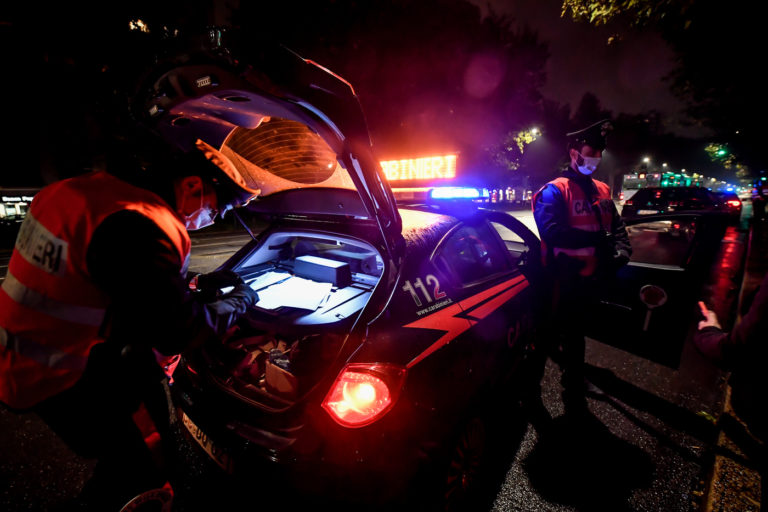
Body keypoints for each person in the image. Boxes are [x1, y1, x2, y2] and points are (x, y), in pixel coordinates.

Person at [0, 32, 263, 511]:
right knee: (144, 461)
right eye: (215, 210)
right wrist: (241, 301)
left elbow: (110, 286)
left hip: (19, 351)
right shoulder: (139, 226)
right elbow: (176, 329)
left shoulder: (82, 193)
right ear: (190, 187)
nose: (208, 220)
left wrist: (191, 289)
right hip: (59, 376)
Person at [530, 119, 632, 419]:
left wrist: (623, 251)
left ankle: (573, 382)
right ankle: (531, 388)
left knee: (577, 335)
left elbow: (618, 227)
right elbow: (552, 232)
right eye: (591, 151)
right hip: (560, 280)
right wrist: (598, 240)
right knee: (545, 336)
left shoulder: (601, 189)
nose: (596, 158)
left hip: (589, 279)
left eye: (600, 153)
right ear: (574, 152)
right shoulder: (554, 191)